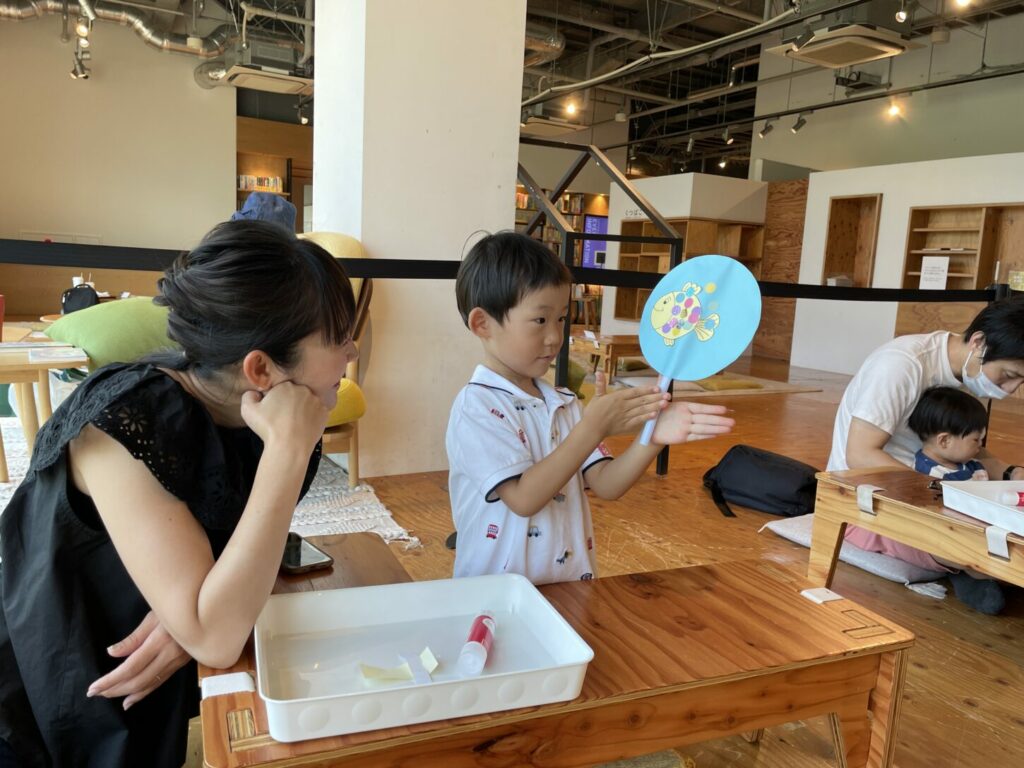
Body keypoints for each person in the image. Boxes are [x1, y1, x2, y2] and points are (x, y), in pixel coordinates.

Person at [0, 220, 357, 767]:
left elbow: (234, 573)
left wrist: (186, 615)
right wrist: (198, 617)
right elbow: (215, 636)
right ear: (261, 368)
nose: (352, 352)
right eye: (338, 339)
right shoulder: (124, 424)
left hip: (148, 671)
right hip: (54, 678)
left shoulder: (273, 412)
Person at [446, 232, 734, 585]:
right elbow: (523, 498)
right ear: (483, 324)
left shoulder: (563, 402)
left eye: (562, 318)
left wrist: (652, 438)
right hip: (493, 596)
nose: (555, 337)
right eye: (540, 320)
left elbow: (606, 484)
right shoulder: (477, 407)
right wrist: (593, 427)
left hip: (569, 587)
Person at [828, 299, 1024, 614]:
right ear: (978, 342)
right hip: (867, 504)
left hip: (931, 492)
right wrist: (947, 493)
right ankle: (971, 568)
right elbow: (860, 454)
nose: (1011, 389)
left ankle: (975, 566)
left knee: (1004, 523)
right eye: (1008, 375)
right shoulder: (902, 365)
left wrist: (1012, 473)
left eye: (1021, 380)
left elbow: (967, 446)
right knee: (984, 542)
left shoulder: (966, 372)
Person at [908, 386, 989, 481]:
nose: (980, 444)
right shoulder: (931, 476)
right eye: (976, 439)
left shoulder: (970, 464)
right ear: (945, 441)